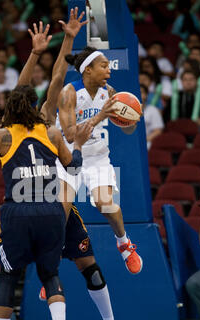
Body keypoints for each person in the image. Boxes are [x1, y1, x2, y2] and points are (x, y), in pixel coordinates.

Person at [0, 10, 133, 320]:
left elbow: (49, 81)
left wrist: (55, 45)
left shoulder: (29, 125)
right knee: (15, 275)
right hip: (45, 206)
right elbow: (38, 86)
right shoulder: (38, 123)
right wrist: (55, 45)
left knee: (73, 268)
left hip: (48, 206)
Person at [57, 47, 143, 277]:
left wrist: (131, 117)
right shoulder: (69, 93)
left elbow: (127, 130)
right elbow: (70, 135)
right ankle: (50, 270)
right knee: (60, 213)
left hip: (96, 156)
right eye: (103, 66)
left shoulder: (109, 91)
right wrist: (100, 116)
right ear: (88, 70)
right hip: (68, 155)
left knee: (107, 205)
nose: (109, 70)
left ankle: (124, 245)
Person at [140, 84, 164, 150]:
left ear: (146, 95)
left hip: (147, 143)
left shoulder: (153, 110)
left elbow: (158, 131)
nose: (138, 94)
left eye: (141, 92)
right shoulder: (126, 111)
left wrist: (143, 141)